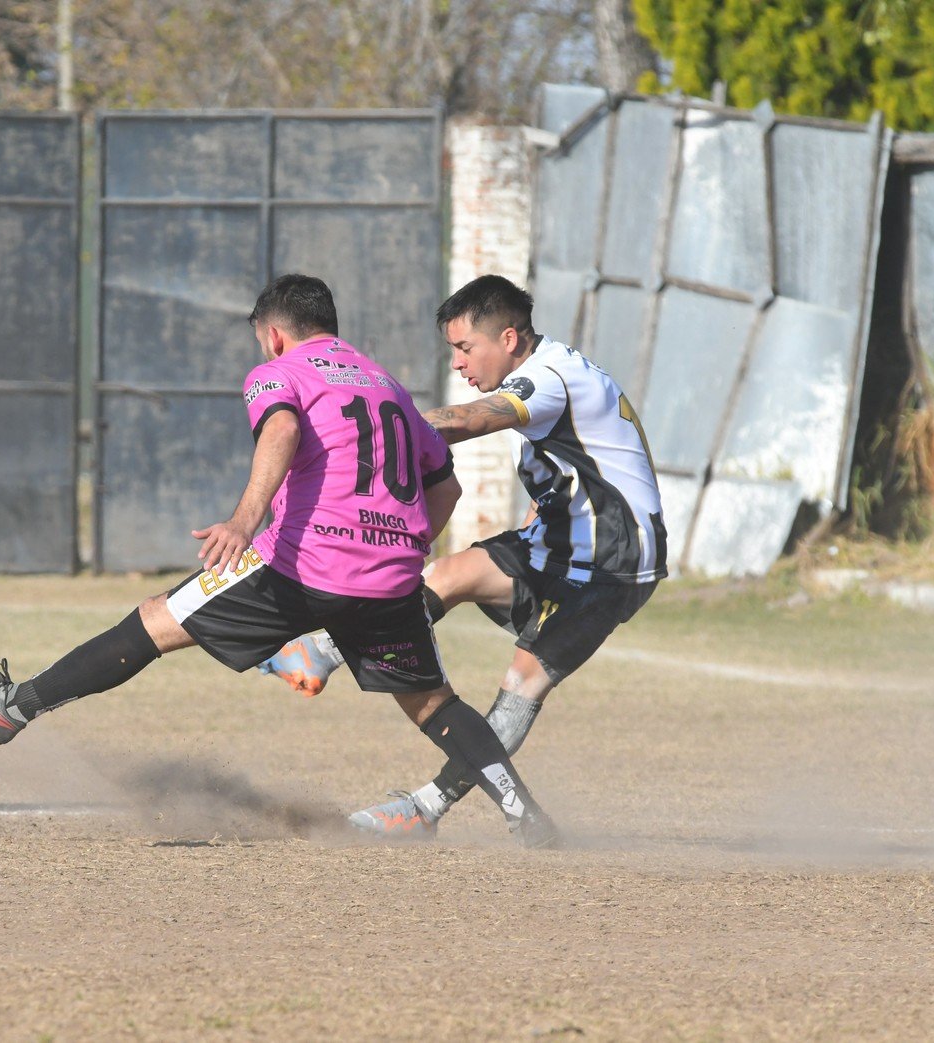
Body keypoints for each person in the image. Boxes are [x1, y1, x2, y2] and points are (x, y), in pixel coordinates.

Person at [0, 273, 559, 847]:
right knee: (434, 705)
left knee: (154, 622)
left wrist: (244, 521)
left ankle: (15, 707)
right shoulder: (388, 385)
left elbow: (281, 432)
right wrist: (398, 548)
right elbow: (445, 488)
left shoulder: (280, 372)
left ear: (274, 335)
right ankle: (525, 815)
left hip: (298, 564)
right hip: (391, 577)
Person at [259, 274, 666, 838]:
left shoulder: (548, 378)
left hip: (611, 562)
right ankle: (324, 651)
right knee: (448, 574)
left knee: (522, 682)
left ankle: (425, 809)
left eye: (464, 348)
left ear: (507, 338)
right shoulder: (553, 368)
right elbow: (580, 464)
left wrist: (378, 426)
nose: (457, 363)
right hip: (562, 542)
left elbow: (473, 420)